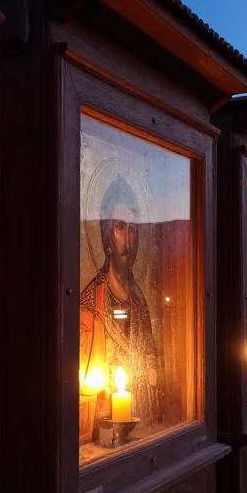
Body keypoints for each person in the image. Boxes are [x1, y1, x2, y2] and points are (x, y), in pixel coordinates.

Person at [79, 177, 161, 441]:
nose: (128, 238)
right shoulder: (92, 301)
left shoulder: (140, 301)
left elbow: (151, 366)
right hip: (103, 433)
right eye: (120, 227)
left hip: (144, 429)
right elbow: (82, 383)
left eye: (134, 229)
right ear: (106, 235)